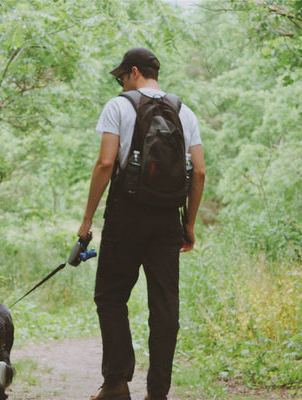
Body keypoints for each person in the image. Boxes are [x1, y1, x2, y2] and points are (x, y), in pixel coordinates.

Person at [77, 48, 205, 400]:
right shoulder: (184, 112)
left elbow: (105, 164)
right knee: (165, 305)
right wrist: (188, 224)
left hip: (126, 216)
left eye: (122, 77)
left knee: (111, 296)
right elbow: (201, 171)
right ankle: (158, 392)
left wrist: (87, 219)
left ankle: (117, 383)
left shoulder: (119, 106)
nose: (120, 83)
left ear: (134, 71)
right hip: (167, 220)